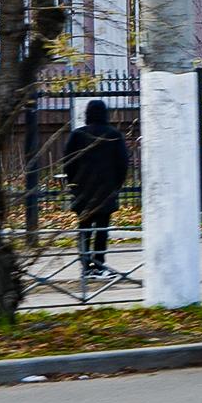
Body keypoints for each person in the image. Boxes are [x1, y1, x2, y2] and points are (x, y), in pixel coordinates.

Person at [62, 100, 129, 276]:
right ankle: (99, 264)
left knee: (84, 229)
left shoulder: (77, 135)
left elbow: (68, 162)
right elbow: (122, 164)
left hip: (82, 190)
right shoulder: (113, 135)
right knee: (101, 230)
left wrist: (73, 183)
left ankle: (85, 266)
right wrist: (116, 185)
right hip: (106, 191)